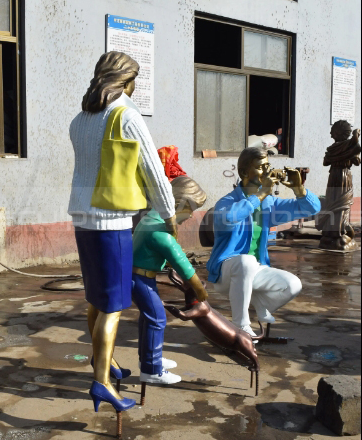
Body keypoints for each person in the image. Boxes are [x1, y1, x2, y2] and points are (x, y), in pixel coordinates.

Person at [68, 52, 177, 413]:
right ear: (126, 81)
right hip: (111, 220)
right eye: (134, 80)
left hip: (82, 218)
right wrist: (170, 213)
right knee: (113, 306)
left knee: (96, 300)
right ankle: (101, 383)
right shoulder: (126, 116)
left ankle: (106, 362)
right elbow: (153, 171)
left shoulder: (80, 120)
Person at [206, 147, 321, 338]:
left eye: (268, 166)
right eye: (261, 167)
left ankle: (261, 305)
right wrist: (260, 194)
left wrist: (298, 189)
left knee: (293, 284)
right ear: (244, 172)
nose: (267, 172)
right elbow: (228, 219)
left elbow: (311, 209)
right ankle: (240, 325)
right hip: (225, 273)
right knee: (246, 262)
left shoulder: (269, 205)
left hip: (253, 268)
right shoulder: (227, 202)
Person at [132, 176, 209, 384]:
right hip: (141, 279)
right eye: (190, 209)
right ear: (178, 204)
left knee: (149, 318)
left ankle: (148, 359)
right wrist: (198, 289)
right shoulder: (160, 232)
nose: (191, 216)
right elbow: (180, 261)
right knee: (157, 319)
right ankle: (152, 370)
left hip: (140, 278)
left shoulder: (152, 219)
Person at [316, 121, 361, 250]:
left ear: (339, 133)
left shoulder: (335, 149)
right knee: (337, 202)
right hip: (342, 175)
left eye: (333, 132)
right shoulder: (345, 147)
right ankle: (336, 230)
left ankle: (336, 230)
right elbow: (357, 159)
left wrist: (351, 145)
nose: (331, 135)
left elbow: (327, 161)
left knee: (338, 201)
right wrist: (352, 145)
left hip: (337, 175)